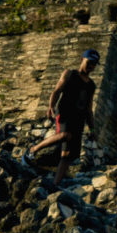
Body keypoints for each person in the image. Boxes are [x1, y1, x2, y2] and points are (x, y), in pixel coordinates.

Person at [28, 49, 100, 180]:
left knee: (67, 155)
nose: (91, 66)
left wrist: (92, 128)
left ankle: (56, 184)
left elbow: (89, 109)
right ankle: (34, 149)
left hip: (80, 119)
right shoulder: (69, 74)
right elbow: (57, 91)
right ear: (82, 60)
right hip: (65, 113)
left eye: (94, 64)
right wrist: (51, 106)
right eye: (89, 62)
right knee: (64, 135)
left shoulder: (91, 85)